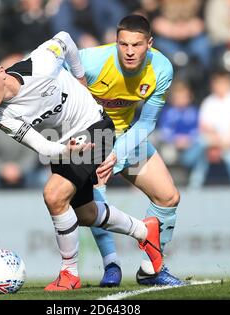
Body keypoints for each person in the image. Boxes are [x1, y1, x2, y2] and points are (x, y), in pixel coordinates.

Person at [0, 31, 163, 291]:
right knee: (85, 214)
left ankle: (69, 274)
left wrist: (80, 79)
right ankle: (145, 231)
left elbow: (65, 39)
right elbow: (41, 145)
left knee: (54, 195)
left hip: (95, 128)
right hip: (62, 143)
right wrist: (65, 149)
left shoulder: (41, 63)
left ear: (0, 71)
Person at [77, 14, 185, 286]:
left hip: (125, 136)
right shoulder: (89, 61)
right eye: (123, 44)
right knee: (96, 200)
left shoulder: (161, 69)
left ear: (150, 43)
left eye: (136, 45)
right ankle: (111, 265)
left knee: (168, 197)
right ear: (116, 41)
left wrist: (118, 154)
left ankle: (151, 269)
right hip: (89, 136)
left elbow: (146, 122)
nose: (128, 51)